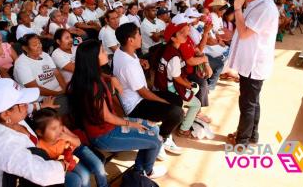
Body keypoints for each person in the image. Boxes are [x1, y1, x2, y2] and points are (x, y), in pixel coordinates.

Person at [68, 39, 167, 178]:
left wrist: (111, 77)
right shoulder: (92, 87)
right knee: (156, 140)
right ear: (93, 59)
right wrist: (132, 124)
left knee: (155, 128)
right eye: (102, 51)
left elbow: (100, 77)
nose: (106, 54)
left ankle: (139, 170)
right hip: (105, 135)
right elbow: (107, 117)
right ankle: (148, 171)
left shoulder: (87, 75)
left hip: (108, 126)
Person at [0, 78, 65, 187]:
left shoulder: (6, 118)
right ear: (5, 114)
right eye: (22, 103)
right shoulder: (2, 144)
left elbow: (28, 108)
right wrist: (62, 165)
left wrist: (40, 106)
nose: (27, 104)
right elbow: (43, 174)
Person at [113, 23, 184, 160]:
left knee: (177, 100)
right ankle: (159, 141)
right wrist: (164, 103)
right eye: (138, 35)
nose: (141, 37)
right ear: (130, 40)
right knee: (177, 113)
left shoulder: (122, 51)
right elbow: (143, 93)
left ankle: (165, 135)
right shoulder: (127, 65)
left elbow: (131, 63)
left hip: (139, 97)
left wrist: (139, 61)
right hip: (135, 105)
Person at [227, 0, 279, 146]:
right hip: (251, 62)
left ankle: (242, 140)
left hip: (254, 64)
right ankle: (251, 134)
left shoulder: (265, 8)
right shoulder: (257, 4)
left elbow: (244, 33)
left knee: (247, 104)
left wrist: (236, 8)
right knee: (252, 101)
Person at [32, 108, 108, 187]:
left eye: (60, 125)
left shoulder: (62, 131)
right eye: (53, 128)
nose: (58, 130)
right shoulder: (39, 146)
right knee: (84, 176)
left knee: (90, 171)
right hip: (63, 164)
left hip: (73, 154)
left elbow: (78, 143)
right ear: (40, 132)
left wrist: (67, 137)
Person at [154, 22, 202, 138]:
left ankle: (185, 114)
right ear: (173, 38)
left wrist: (188, 84)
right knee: (197, 104)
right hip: (168, 88)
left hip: (162, 84)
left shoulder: (169, 48)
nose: (186, 34)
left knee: (196, 87)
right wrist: (188, 85)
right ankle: (183, 129)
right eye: (181, 33)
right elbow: (177, 78)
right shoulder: (174, 55)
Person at [13, 34, 68, 114]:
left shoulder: (45, 55)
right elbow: (34, 87)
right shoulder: (21, 63)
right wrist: (57, 93)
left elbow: (57, 74)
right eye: (35, 45)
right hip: (44, 99)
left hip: (59, 92)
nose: (39, 46)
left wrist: (65, 89)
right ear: (25, 48)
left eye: (39, 43)